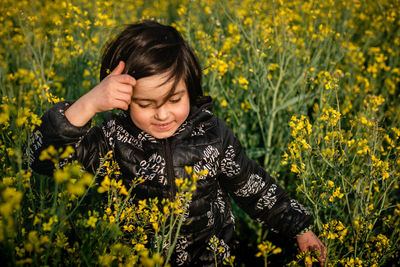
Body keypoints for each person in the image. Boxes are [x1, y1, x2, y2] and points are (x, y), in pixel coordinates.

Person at [29, 21, 326, 266]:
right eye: (145, 104)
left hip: (211, 260)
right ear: (121, 100)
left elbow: (251, 184)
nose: (162, 114)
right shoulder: (111, 137)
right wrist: (88, 105)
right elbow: (42, 159)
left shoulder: (212, 133)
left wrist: (299, 227)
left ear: (191, 88)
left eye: (175, 100)